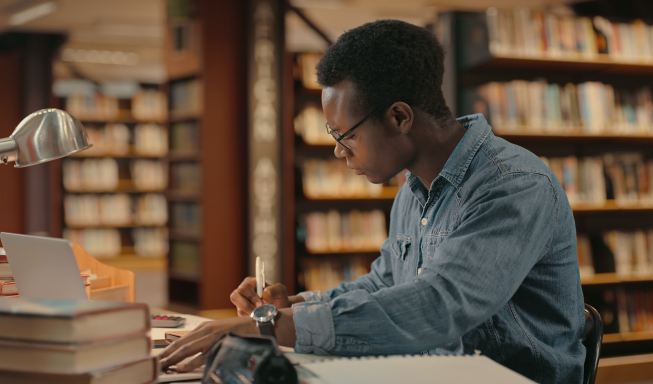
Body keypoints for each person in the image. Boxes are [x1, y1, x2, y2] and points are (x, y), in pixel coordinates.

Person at [161, 19, 586, 383]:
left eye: (344, 136)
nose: (338, 152)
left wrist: (274, 327)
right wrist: (295, 306)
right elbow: (384, 283)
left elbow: (439, 307)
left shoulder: (513, 185)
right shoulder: (412, 191)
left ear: (399, 117)